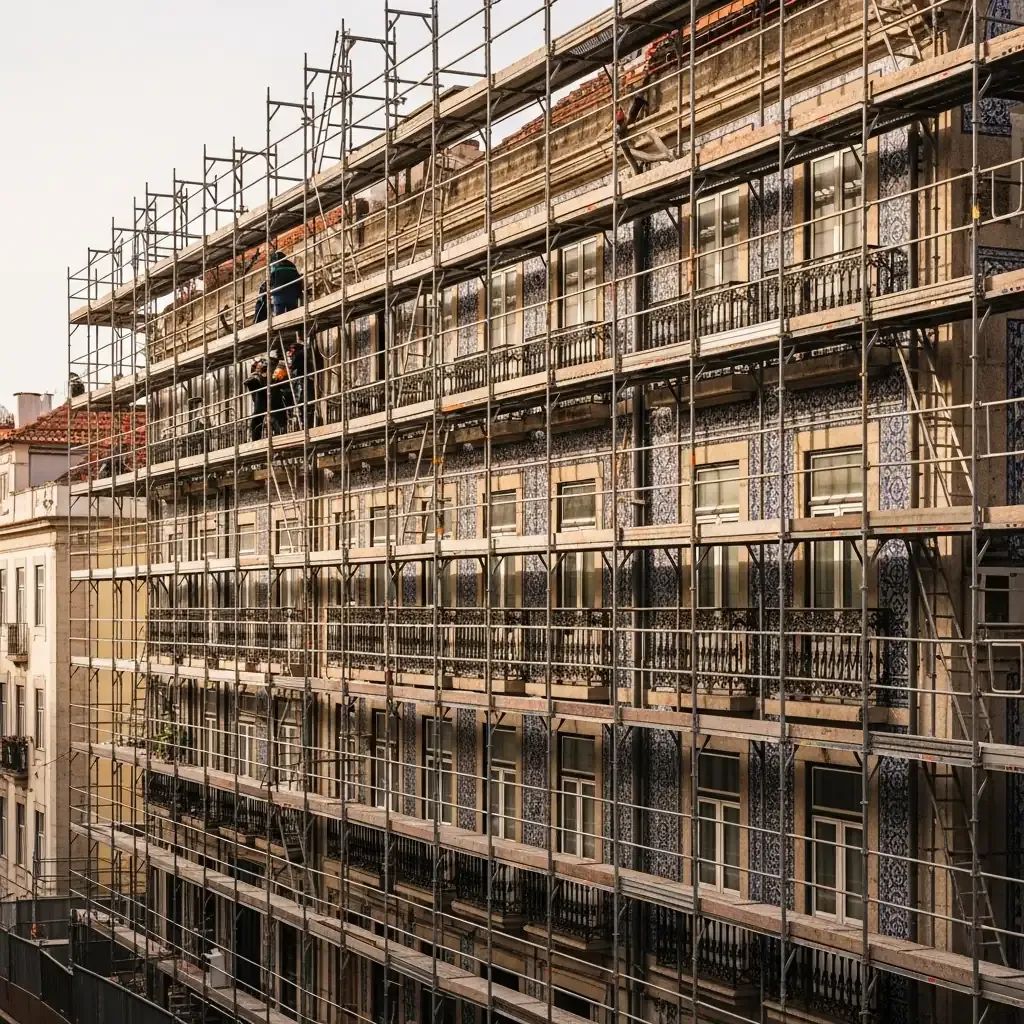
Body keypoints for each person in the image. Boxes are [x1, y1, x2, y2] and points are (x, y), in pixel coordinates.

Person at [286, 339, 316, 429]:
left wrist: (288, 364)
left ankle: (305, 424)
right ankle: (305, 423)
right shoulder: (304, 353)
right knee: (305, 403)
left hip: (302, 381)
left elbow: (292, 366)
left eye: (292, 350)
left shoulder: (299, 354)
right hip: (306, 380)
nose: (291, 352)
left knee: (302, 402)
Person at [268, 249, 303, 315]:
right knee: (293, 315)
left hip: (279, 297)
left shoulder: (275, 267)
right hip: (292, 296)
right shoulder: (292, 266)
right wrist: (299, 293)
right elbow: (298, 281)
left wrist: (271, 292)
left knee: (279, 317)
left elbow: (271, 283)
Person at [243, 359, 269, 441]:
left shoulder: (261, 377)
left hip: (262, 401)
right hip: (260, 401)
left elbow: (247, 382)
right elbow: (247, 382)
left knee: (256, 420)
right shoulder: (257, 377)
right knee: (256, 420)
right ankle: (255, 438)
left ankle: (255, 438)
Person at [270, 362, 292, 436]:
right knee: (278, 419)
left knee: (279, 419)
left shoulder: (276, 375)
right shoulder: (280, 373)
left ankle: (279, 432)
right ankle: (280, 432)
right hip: (276, 403)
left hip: (276, 403)